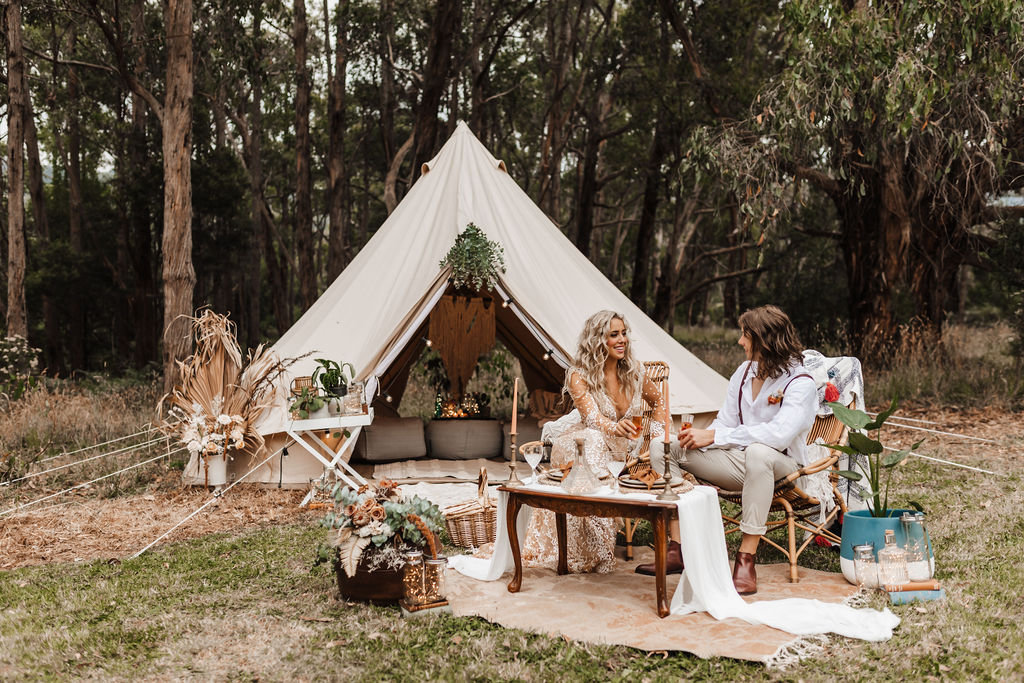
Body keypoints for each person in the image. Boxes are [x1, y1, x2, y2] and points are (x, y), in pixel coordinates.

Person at [670, 305, 817, 594]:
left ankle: (746, 558)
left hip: (783, 470)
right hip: (741, 465)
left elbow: (778, 436)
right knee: (667, 449)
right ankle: (678, 548)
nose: (740, 342)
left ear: (765, 340)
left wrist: (714, 436)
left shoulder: (800, 383)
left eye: (745, 335)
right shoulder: (743, 373)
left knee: (759, 452)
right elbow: (725, 421)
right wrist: (702, 436)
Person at [522, 310, 667, 573]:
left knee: (600, 445)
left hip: (618, 450)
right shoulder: (579, 375)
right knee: (594, 439)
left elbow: (658, 401)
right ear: (598, 340)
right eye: (614, 335)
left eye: (624, 333)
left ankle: (594, 546)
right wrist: (615, 426)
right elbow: (591, 419)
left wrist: (656, 437)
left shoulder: (635, 372)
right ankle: (599, 551)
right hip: (577, 445)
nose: (622, 339)